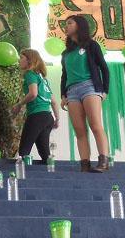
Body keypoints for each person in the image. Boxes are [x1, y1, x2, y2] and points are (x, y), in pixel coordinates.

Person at [60, 14, 110, 172]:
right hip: (72, 91)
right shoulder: (65, 53)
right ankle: (85, 164)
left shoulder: (91, 45)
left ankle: (103, 162)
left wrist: (104, 90)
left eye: (70, 23)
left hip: (90, 87)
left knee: (95, 124)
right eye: (66, 24)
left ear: (79, 26)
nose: (66, 26)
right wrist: (63, 95)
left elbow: (104, 68)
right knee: (79, 129)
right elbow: (64, 75)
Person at [11, 49, 60, 163]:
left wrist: (19, 105)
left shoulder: (30, 74)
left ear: (29, 60)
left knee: (23, 152)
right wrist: (57, 119)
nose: (19, 60)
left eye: (22, 57)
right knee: (45, 155)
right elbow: (53, 101)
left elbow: (33, 93)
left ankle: (20, 177)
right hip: (48, 117)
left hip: (36, 116)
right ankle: (50, 176)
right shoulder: (43, 79)